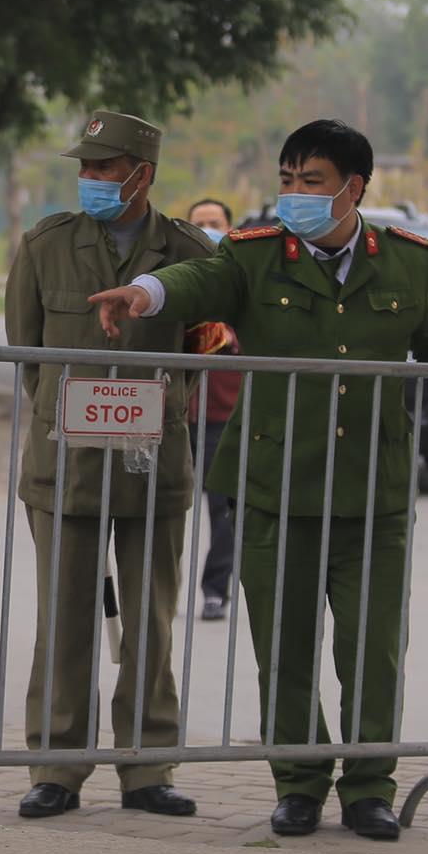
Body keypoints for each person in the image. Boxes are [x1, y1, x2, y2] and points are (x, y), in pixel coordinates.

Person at [88, 120, 428, 842]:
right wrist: (144, 292)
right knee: (283, 651)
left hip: (371, 494)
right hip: (273, 488)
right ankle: (298, 784)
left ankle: (370, 788)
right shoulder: (255, 257)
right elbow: (200, 280)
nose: (294, 195)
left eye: (310, 182)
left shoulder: (406, 262)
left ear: (353, 189)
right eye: (286, 180)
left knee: (372, 653)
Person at [4, 111, 213, 821]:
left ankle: (146, 766)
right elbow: (27, 353)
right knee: (64, 622)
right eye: (85, 169)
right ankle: (57, 767)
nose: (90, 180)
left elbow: (204, 351)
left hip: (155, 470)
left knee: (151, 623)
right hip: (63, 469)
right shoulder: (47, 245)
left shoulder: (190, 252)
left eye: (104, 168)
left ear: (142, 174)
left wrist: (160, 409)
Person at [184, 197, 243, 623]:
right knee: (160, 507)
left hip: (225, 415)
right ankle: (156, 590)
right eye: (200, 223)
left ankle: (214, 590)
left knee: (225, 510)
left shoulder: (243, 278)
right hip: (173, 417)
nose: (208, 228)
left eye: (215, 222)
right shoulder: (176, 276)